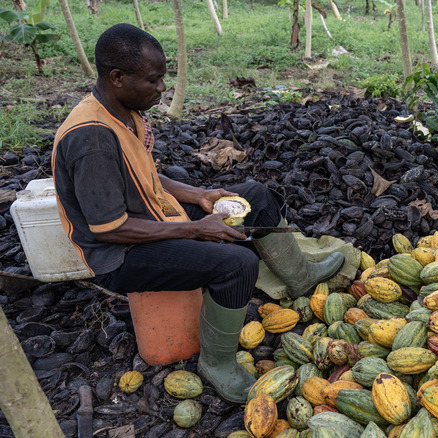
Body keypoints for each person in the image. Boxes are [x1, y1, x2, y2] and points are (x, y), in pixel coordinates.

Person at [51, 23, 344, 403]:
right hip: (119, 254)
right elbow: (110, 229)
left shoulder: (122, 111)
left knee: (254, 194)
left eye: (163, 79)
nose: (161, 89)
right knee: (237, 265)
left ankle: (299, 277)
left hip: (151, 216)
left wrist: (200, 195)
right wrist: (197, 231)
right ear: (117, 77)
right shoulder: (91, 139)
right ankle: (216, 363)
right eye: (154, 81)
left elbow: (144, 176)